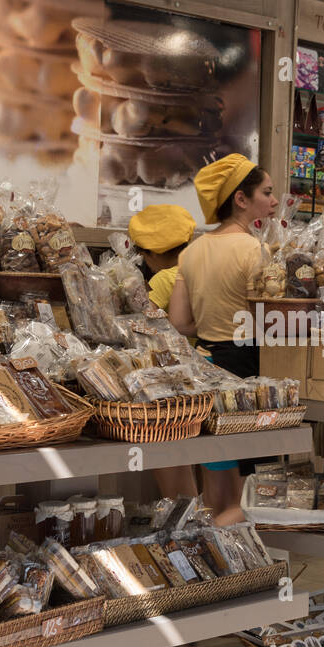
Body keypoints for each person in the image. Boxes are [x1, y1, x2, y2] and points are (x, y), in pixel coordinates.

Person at [168, 154, 278, 524]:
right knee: (245, 500)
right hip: (246, 371)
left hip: (206, 368)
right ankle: (236, 567)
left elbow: (179, 321)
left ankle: (211, 567)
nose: (274, 201)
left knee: (216, 492)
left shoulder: (192, 251)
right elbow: (269, 319)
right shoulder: (255, 250)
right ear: (241, 200)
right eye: (267, 192)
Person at [127, 203, 198, 497]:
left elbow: (143, 321)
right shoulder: (199, 268)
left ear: (152, 253)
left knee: (168, 456)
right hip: (203, 378)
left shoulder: (164, 279)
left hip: (173, 384)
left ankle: (180, 521)